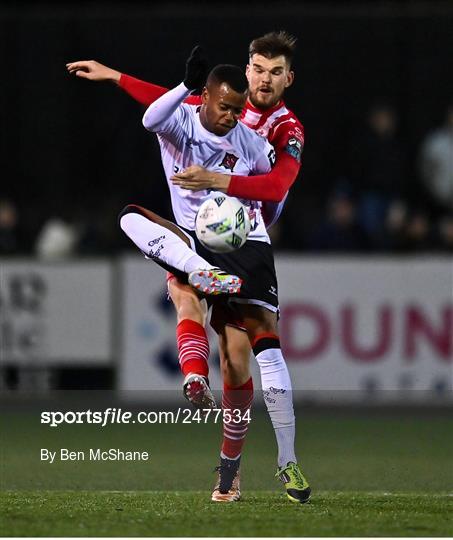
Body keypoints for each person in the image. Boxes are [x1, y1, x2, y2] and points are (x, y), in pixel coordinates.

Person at [67, 32, 309, 504]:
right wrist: (115, 76)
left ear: (288, 79)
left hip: (246, 236)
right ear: (246, 68)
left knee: (242, 357)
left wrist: (218, 179)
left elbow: (278, 184)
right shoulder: (219, 97)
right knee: (181, 289)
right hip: (199, 235)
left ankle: (271, 462)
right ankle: (196, 369)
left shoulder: (285, 127)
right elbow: (167, 102)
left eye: (275, 72)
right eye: (258, 68)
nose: (264, 79)